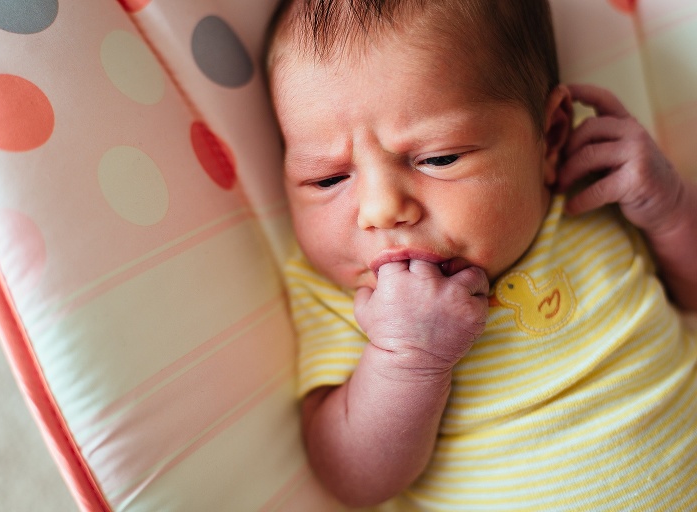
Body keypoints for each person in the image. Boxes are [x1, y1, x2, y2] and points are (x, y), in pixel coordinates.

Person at [265, 0, 697, 509]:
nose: (381, 210)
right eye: (328, 179)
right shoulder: (346, 294)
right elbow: (352, 481)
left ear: (551, 136)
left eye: (438, 158)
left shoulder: (590, 197)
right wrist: (407, 361)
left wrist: (671, 213)